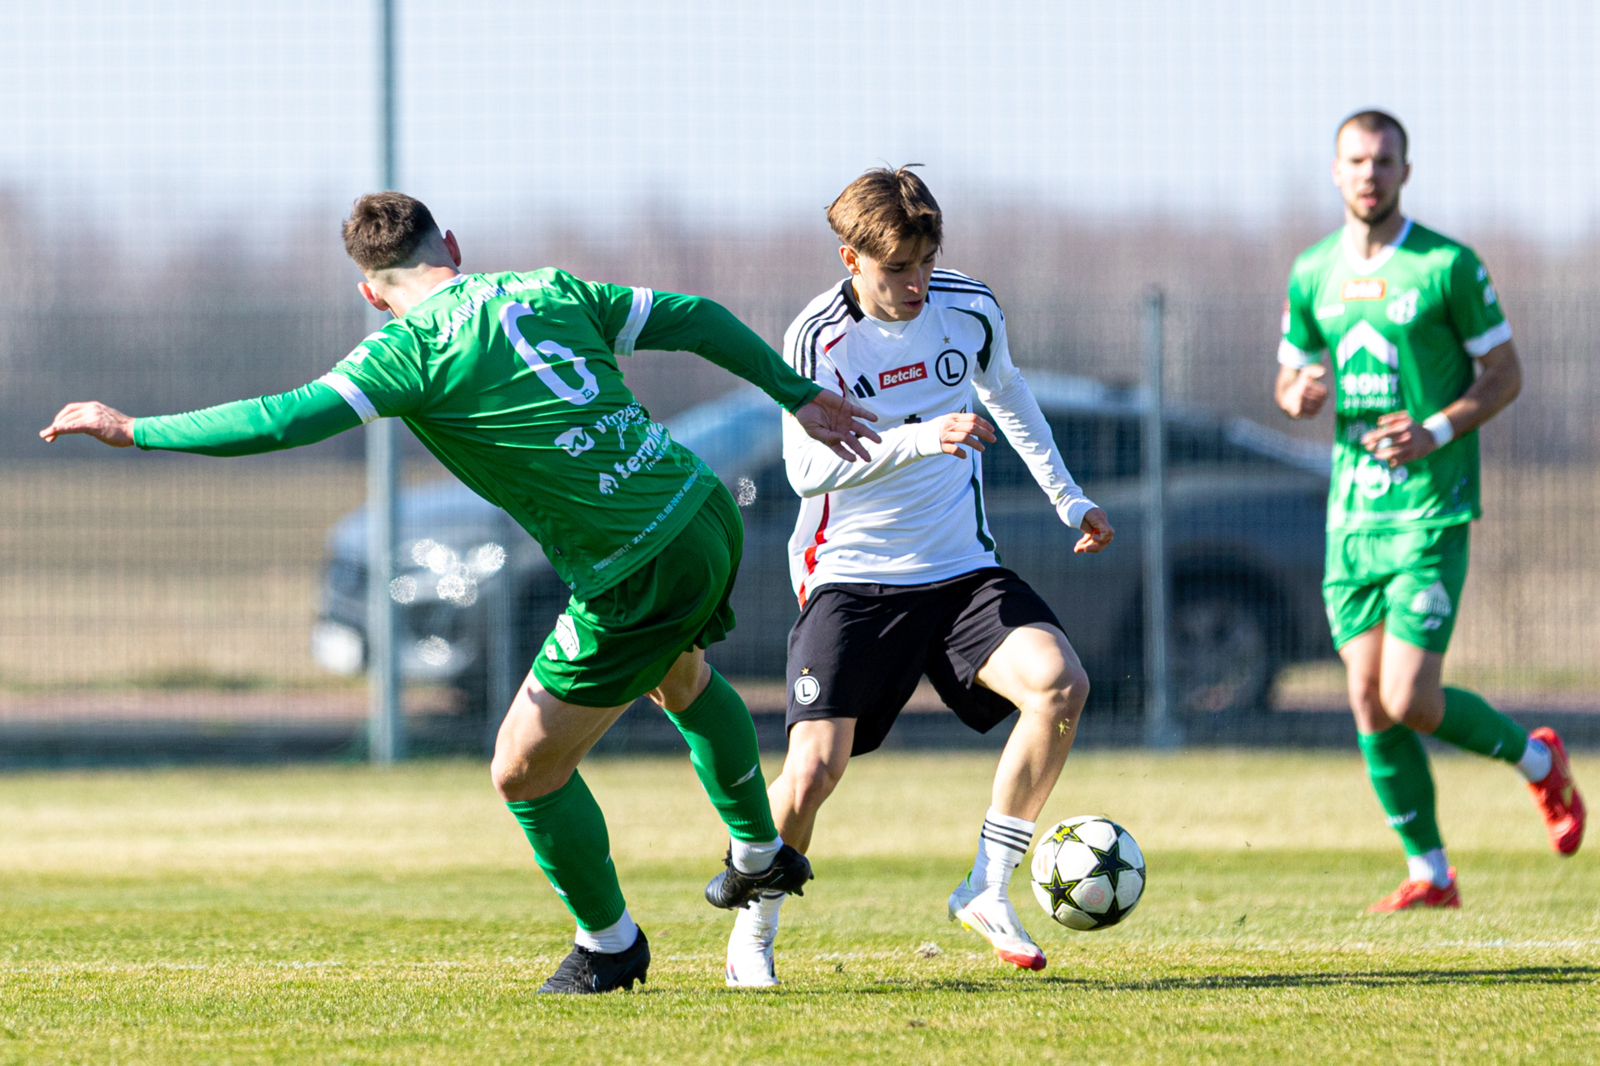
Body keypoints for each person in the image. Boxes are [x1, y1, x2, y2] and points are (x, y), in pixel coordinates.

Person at [39, 191, 883, 993]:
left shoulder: (406, 351)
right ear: (451, 247)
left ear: (372, 293)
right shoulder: (548, 286)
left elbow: (283, 419)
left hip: (632, 560)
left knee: (522, 769)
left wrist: (136, 430)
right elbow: (695, 317)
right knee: (682, 679)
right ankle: (756, 851)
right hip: (700, 506)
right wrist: (796, 392)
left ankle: (610, 947)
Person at [722, 167, 1115, 987]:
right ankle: (753, 936)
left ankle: (987, 887)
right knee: (814, 770)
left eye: (924, 264)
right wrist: (919, 437)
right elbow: (801, 470)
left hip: (959, 570)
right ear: (851, 257)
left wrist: (1068, 499)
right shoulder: (818, 339)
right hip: (851, 578)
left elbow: (1008, 394)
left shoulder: (967, 306)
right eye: (896, 269)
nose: (913, 285)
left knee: (1059, 684)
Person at [1275, 111, 1585, 911]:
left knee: (1410, 695)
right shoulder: (1312, 272)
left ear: (1405, 171)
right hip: (1352, 518)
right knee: (1367, 700)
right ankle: (1431, 874)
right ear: (1335, 171)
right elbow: (1291, 380)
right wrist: (1298, 393)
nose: (1369, 174)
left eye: (1383, 160)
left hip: (1430, 512)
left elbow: (1507, 373)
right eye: (1355, 160)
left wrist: (1437, 428)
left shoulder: (1447, 265)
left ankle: (1540, 763)